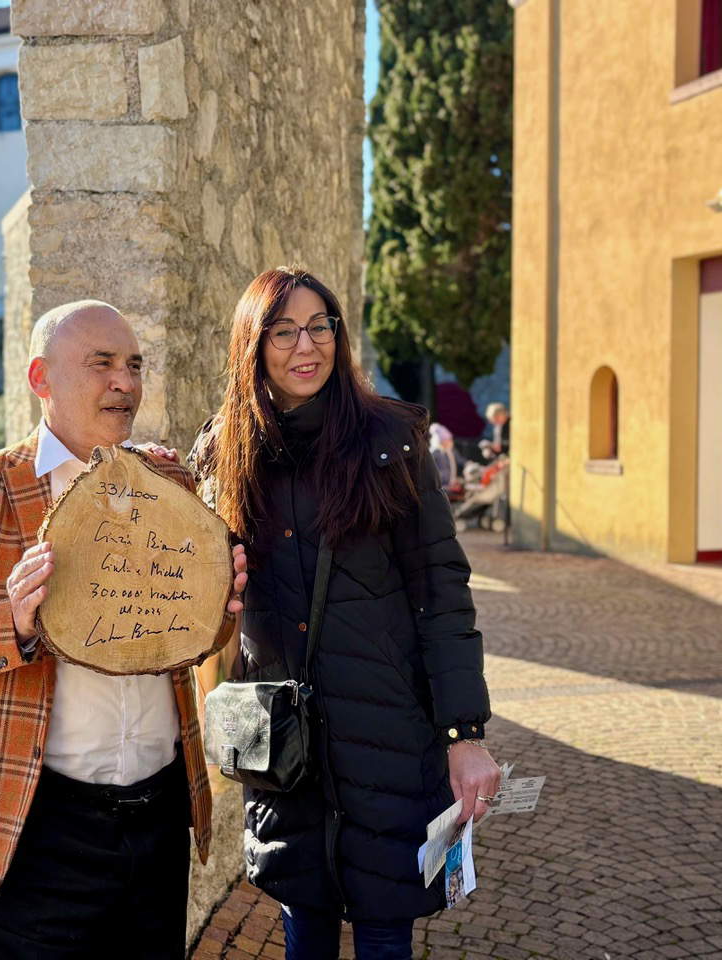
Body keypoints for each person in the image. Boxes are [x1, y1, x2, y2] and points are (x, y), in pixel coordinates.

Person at [0, 300, 248, 960]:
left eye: (135, 365)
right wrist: (12, 622)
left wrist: (220, 612)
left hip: (161, 817)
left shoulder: (168, 479)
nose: (126, 382)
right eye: (102, 364)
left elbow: (193, 645)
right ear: (41, 378)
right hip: (34, 834)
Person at [191, 267, 498, 960]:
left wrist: (464, 731)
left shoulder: (390, 441)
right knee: (304, 909)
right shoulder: (224, 452)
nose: (308, 346)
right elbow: (192, 586)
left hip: (384, 725)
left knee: (385, 919)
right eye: (285, 331)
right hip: (282, 735)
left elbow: (441, 591)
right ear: (253, 344)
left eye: (320, 326)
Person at [428, 422, 462, 494]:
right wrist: (447, 487)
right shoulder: (434, 453)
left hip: (450, 484)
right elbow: (432, 476)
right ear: (441, 441)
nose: (450, 442)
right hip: (441, 488)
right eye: (447, 440)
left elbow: (460, 460)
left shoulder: (450, 451)